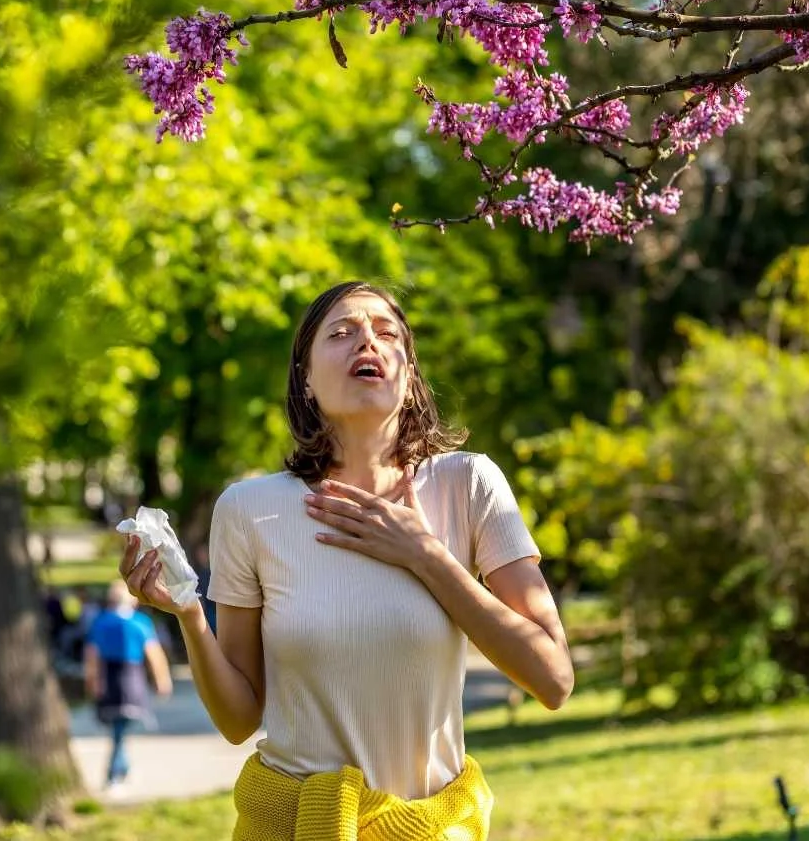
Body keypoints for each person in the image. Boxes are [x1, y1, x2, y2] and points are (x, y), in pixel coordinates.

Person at [120, 282, 575, 839]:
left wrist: (425, 555)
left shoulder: (469, 484)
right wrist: (189, 613)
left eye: (387, 333)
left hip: (428, 825)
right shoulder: (248, 509)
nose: (367, 341)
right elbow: (239, 719)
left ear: (408, 378)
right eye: (342, 332)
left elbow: (553, 680)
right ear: (306, 380)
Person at [83, 580, 174, 791]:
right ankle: (117, 770)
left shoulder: (100, 622)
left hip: (109, 677)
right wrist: (162, 679)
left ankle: (119, 769)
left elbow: (92, 656)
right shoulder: (141, 622)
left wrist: (92, 681)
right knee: (120, 728)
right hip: (131, 677)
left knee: (118, 727)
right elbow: (154, 654)